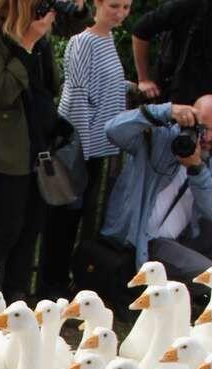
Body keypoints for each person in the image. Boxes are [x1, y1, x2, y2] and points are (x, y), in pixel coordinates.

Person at [0, 0, 87, 314]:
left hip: (38, 139)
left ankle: (15, 298)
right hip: (5, 143)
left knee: (32, 225)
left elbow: (51, 82)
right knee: (7, 227)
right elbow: (2, 90)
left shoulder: (34, 22)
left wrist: (44, 33)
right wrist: (28, 42)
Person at [40, 0, 132, 301]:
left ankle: (62, 279)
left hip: (97, 145)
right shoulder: (82, 42)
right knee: (64, 216)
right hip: (79, 145)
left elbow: (105, 85)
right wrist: (83, 147)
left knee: (77, 216)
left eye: (126, 7)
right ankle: (50, 283)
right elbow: (77, 94)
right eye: (114, 6)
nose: (120, 13)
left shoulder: (108, 39)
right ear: (98, 4)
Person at [100, 95, 212, 282]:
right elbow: (112, 130)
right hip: (144, 239)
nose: (207, 137)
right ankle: (174, 288)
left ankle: (179, 289)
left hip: (180, 238)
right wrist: (166, 111)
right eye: (203, 128)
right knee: (208, 273)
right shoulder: (161, 137)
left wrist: (196, 168)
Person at [129, 0, 212, 148]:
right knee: (175, 157)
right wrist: (144, 78)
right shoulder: (190, 5)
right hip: (186, 106)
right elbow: (141, 30)